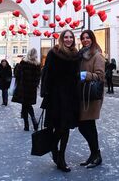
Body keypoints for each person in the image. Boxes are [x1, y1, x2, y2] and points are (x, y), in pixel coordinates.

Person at [40, 29, 81, 172]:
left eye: (71, 37)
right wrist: (45, 92)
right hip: (56, 96)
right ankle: (54, 150)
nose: (69, 39)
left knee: (66, 127)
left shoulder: (76, 55)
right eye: (66, 37)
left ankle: (61, 157)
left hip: (70, 96)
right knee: (58, 127)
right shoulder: (54, 53)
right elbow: (47, 73)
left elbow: (76, 76)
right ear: (62, 39)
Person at [77, 29, 105, 168]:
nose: (85, 40)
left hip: (91, 96)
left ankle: (97, 155)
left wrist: (83, 75)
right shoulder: (81, 55)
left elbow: (100, 76)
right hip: (82, 95)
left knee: (89, 126)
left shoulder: (97, 55)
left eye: (88, 38)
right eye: (83, 38)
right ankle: (93, 154)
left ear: (92, 39)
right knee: (83, 126)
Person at [12, 48, 41, 131]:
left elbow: (17, 74)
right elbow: (38, 77)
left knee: (25, 105)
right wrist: (35, 85)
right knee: (27, 105)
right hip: (32, 89)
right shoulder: (37, 64)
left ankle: (27, 125)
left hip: (23, 88)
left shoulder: (23, 63)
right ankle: (33, 121)